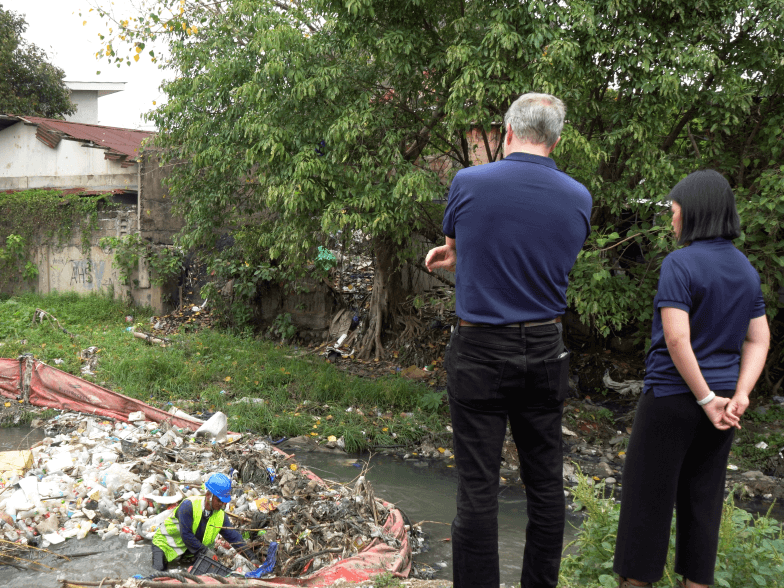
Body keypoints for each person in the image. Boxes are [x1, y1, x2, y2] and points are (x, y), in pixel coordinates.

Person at [425, 92, 592, 588]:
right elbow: (549, 259)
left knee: (477, 488)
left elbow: (457, 246)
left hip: (479, 351)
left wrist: (453, 257)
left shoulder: (469, 181)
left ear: (508, 132)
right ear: (556, 139)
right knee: (545, 487)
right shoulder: (578, 195)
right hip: (545, 349)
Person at [613, 170, 770, 588]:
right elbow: (759, 338)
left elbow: (677, 339)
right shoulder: (745, 269)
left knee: (646, 506)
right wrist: (738, 395)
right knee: (703, 504)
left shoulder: (679, 264)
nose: (672, 221)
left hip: (672, 399)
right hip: (722, 407)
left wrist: (703, 398)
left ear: (695, 213)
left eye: (675, 211)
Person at [151, 472, 250, 571]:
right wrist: (205, 551)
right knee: (159, 570)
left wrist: (251, 557)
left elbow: (234, 537)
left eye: (224, 502)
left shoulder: (221, 516)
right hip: (164, 544)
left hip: (188, 552)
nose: (222, 504)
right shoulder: (188, 506)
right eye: (219, 500)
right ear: (208, 495)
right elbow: (186, 534)